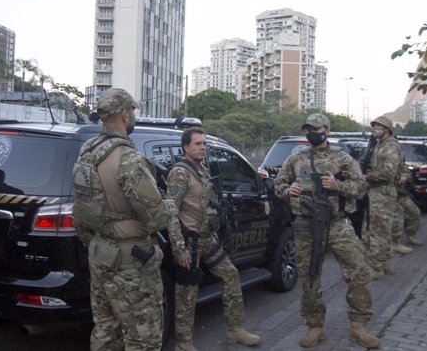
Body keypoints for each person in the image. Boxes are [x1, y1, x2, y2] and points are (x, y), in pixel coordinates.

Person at [72, 88, 170, 350]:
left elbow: (81, 208)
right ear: (125, 115)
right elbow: (157, 218)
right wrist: (169, 204)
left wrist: (97, 238)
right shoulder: (129, 159)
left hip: (99, 252)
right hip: (131, 261)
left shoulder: (87, 151)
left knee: (106, 330)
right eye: (133, 112)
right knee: (142, 337)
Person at [275, 113, 380, 349]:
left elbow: (361, 187)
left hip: (336, 224)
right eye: (308, 129)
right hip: (306, 225)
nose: (312, 133)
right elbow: (278, 185)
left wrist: (338, 186)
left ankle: (358, 326)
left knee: (359, 270)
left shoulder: (342, 158)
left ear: (327, 130)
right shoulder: (296, 157)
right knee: (309, 277)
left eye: (316, 128)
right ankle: (315, 326)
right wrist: (287, 189)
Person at [166, 127, 260, 351]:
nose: (202, 147)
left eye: (204, 143)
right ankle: (184, 344)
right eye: (198, 144)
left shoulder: (203, 170)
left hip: (207, 239)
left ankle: (235, 329)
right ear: (186, 147)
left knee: (230, 274)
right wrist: (179, 249)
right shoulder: (180, 173)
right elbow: (170, 211)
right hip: (189, 243)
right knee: (187, 293)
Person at [362, 116, 405, 279]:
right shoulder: (380, 145)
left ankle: (376, 268)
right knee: (383, 230)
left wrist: (367, 176)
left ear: (386, 129)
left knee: (376, 230)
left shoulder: (390, 147)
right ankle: (386, 264)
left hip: (383, 192)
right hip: (378, 191)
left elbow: (388, 172)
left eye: (378, 127)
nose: (375, 130)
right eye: (374, 127)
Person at [392, 164, 423, 254]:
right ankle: (394, 243)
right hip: (387, 194)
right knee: (398, 215)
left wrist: (405, 176)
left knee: (414, 212)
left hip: (401, 193)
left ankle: (411, 236)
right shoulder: (380, 154)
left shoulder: (399, 155)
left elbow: (407, 171)